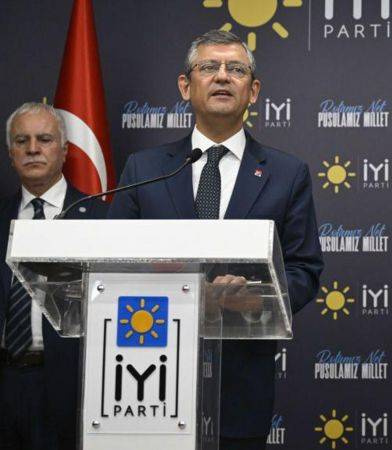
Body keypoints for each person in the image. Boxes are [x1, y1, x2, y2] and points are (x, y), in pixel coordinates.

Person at [108, 30, 323, 449]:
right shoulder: (143, 169)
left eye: (236, 69)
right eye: (209, 67)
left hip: (239, 388)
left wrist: (256, 298)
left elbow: (305, 270)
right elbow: (114, 263)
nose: (222, 76)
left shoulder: (287, 173)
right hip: (145, 380)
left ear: (253, 91)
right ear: (185, 86)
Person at [0, 102, 107, 450]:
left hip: (66, 381)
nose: (32, 149)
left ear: (64, 150)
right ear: (11, 153)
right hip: (6, 379)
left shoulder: (100, 220)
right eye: (22, 141)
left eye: (44, 139)